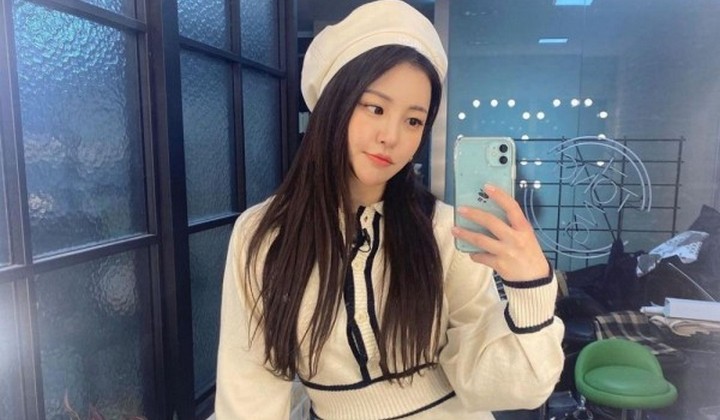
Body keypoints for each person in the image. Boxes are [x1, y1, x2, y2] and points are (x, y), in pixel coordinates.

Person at [215, 1, 564, 418]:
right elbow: (249, 393)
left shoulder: (444, 231)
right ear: (333, 105)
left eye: (413, 121)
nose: (392, 137)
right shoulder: (264, 236)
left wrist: (531, 288)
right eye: (375, 108)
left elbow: (504, 388)